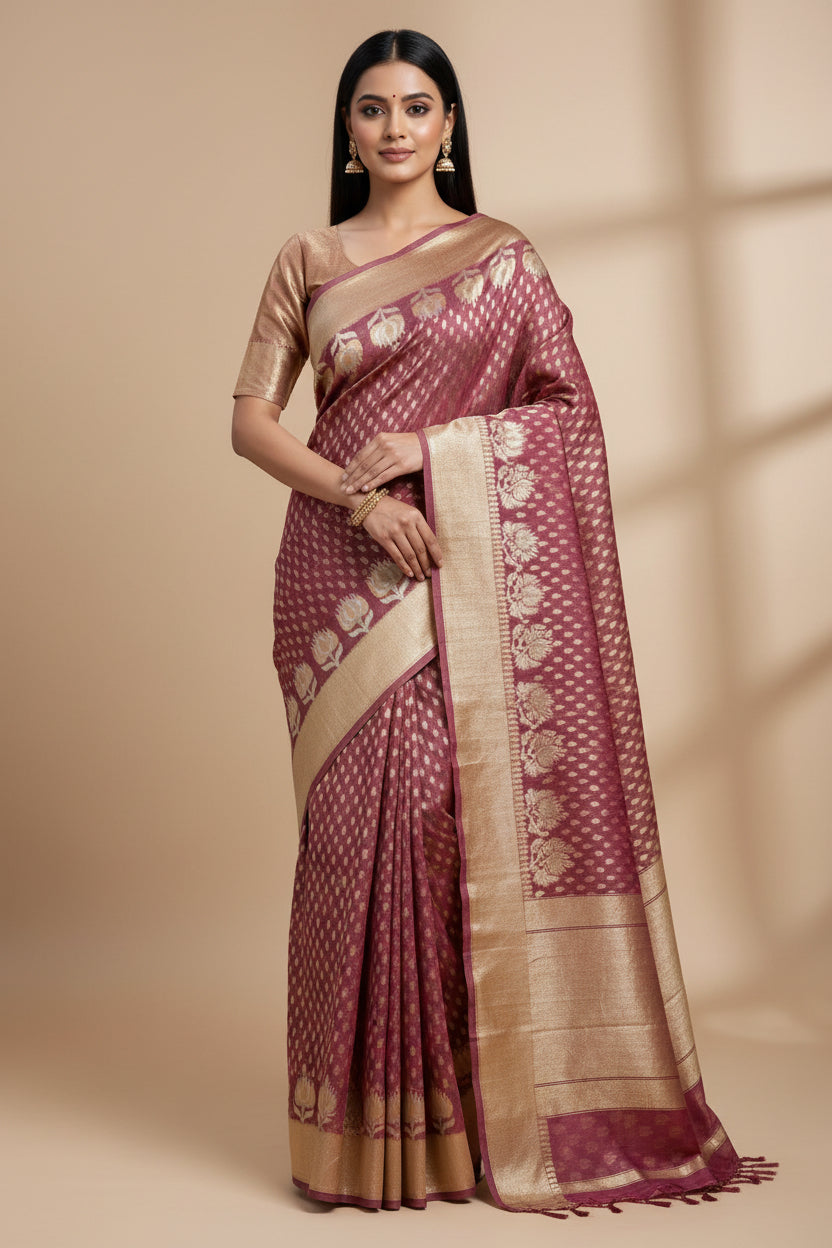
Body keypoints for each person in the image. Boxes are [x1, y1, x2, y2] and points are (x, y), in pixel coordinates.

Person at [230, 28, 776, 1217]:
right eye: (371, 108)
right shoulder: (307, 258)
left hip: (457, 562)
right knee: (350, 838)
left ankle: (458, 1123)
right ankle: (354, 1132)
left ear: (448, 127)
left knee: (438, 813)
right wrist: (362, 501)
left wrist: (429, 449)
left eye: (415, 106)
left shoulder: (502, 260)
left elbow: (568, 418)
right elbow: (250, 422)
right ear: (348, 130)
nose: (393, 127)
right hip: (336, 569)